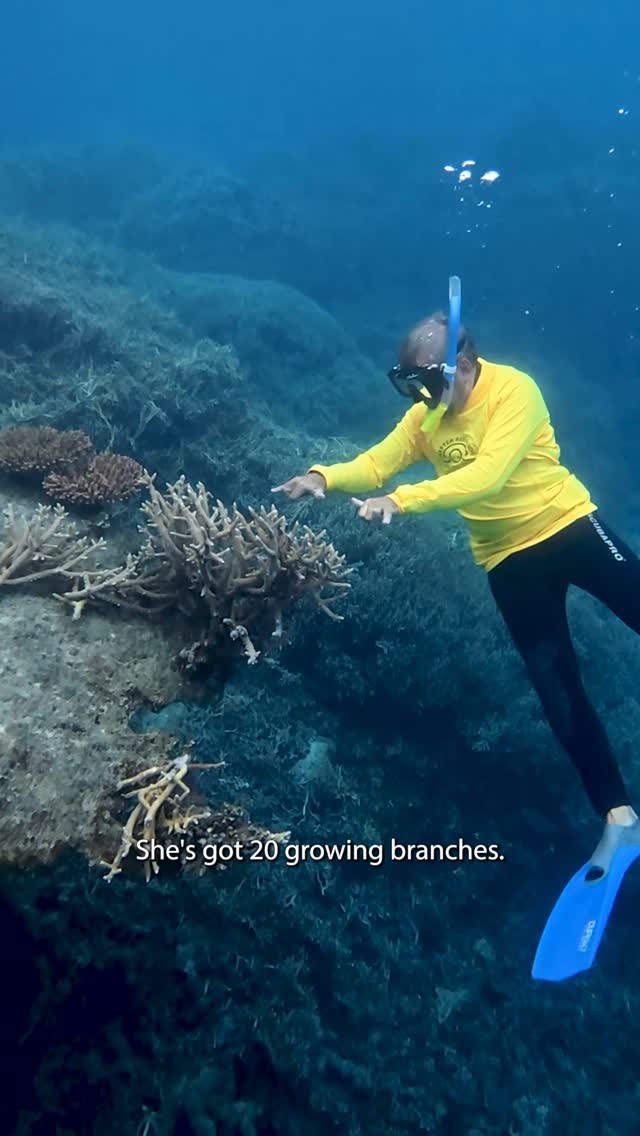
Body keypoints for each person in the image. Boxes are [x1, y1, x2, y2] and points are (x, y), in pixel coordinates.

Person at [272, 307, 640, 888]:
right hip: (509, 561)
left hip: (569, 525)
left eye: (426, 382)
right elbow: (376, 461)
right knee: (557, 689)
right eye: (410, 386)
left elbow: (488, 477)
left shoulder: (515, 390)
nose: (420, 397)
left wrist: (403, 501)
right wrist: (322, 477)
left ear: (464, 364)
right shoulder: (427, 416)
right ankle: (620, 821)